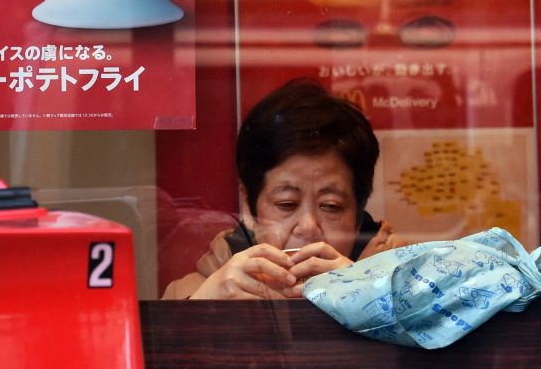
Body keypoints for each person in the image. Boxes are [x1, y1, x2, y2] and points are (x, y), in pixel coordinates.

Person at [162, 78, 404, 300]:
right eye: (287, 204)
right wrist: (202, 312)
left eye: (331, 206)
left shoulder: (410, 286)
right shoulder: (193, 294)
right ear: (247, 205)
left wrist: (373, 302)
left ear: (358, 217)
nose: (309, 228)